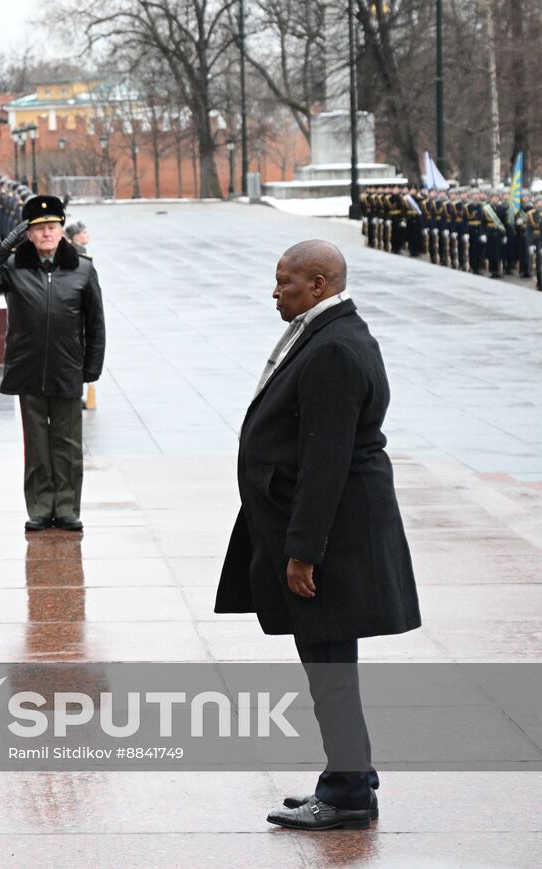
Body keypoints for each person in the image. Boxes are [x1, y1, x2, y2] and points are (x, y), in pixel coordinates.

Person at [216, 239, 421, 831]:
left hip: (330, 538)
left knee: (331, 669)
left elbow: (325, 459)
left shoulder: (333, 347)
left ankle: (351, 793)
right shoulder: (325, 331)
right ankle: (346, 780)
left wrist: (304, 552)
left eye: (286, 281)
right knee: (328, 667)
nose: (275, 291)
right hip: (324, 529)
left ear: (321, 282)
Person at [0, 194, 105, 533]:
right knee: (37, 445)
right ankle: (42, 508)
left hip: (67, 368)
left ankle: (67, 508)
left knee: (67, 444)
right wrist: (6, 245)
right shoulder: (15, 268)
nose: (46, 233)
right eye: (39, 228)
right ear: (28, 233)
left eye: (52, 227)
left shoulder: (83, 269)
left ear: (62, 231)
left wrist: (92, 367)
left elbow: (96, 324)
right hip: (28, 368)